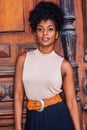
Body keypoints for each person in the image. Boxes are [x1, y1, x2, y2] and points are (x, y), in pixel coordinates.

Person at [14, 1, 81, 130]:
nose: (45, 33)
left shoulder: (64, 65)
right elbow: (18, 96)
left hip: (59, 117)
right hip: (33, 118)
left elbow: (72, 102)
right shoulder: (23, 59)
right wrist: (17, 127)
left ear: (56, 34)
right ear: (34, 33)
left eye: (50, 29)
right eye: (40, 29)